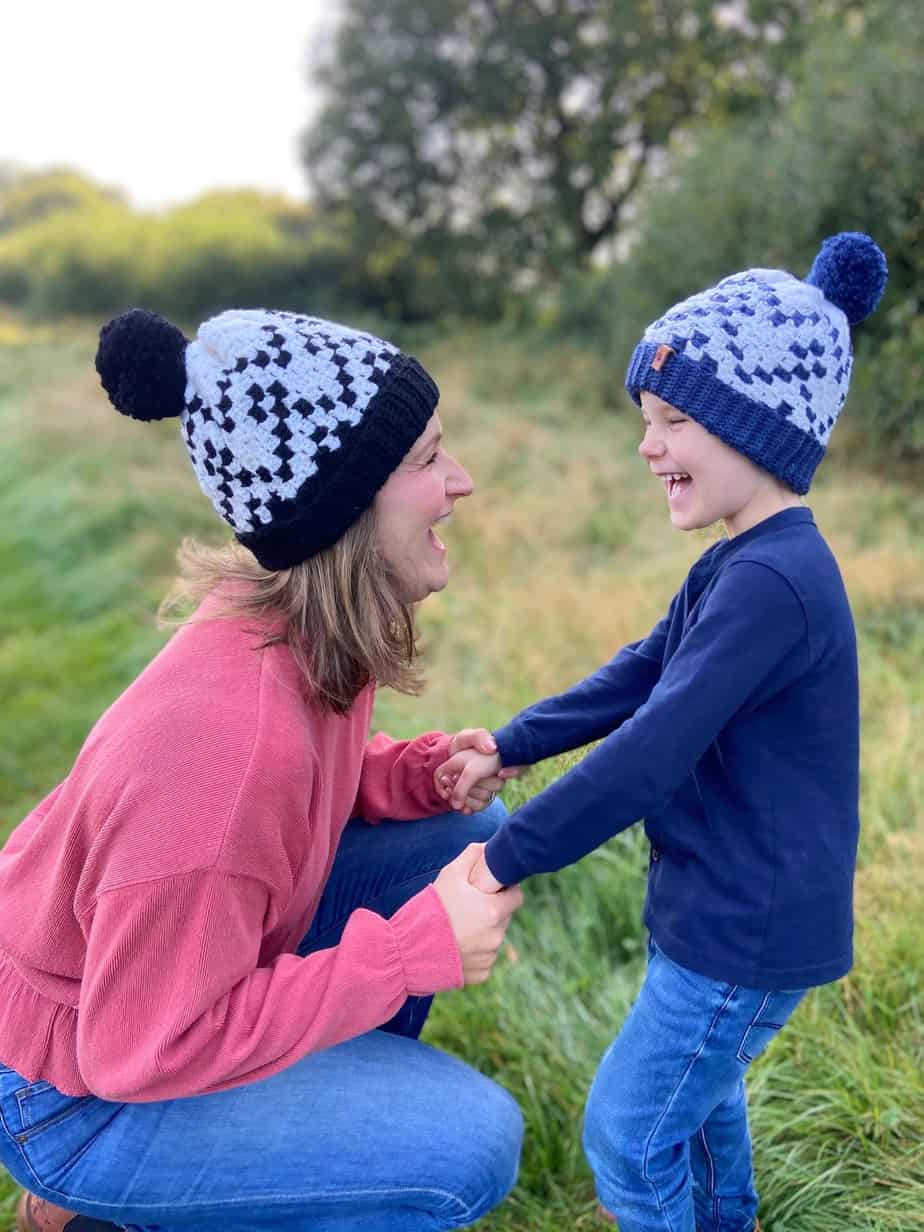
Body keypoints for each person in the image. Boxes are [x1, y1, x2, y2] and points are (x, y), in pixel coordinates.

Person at [0, 308, 524, 1232]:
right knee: (466, 1146)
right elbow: (141, 1049)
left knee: (457, 838)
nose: (461, 483)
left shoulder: (297, 636)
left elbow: (302, 792)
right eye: (427, 459)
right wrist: (406, 955)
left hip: (130, 1000)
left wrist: (410, 777)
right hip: (78, 1091)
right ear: (342, 504)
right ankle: (101, 1200)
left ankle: (270, 1156)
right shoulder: (227, 753)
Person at [436, 234, 888, 1232]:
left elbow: (651, 748)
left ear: (755, 432)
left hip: (745, 927)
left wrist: (504, 859)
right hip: (719, 912)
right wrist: (513, 742)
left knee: (629, 1137)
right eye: (649, 419)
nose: (649, 446)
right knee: (700, 1109)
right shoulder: (740, 563)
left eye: (674, 420)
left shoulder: (774, 581)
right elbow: (644, 670)